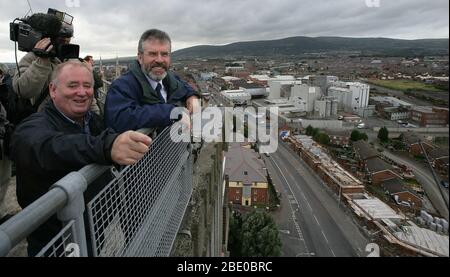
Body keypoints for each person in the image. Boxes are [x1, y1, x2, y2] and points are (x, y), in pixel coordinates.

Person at [10, 61, 152, 256]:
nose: (82, 92)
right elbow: (44, 145)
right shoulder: (35, 126)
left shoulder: (91, 121)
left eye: (87, 86)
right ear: (53, 90)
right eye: (72, 85)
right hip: (56, 239)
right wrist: (107, 147)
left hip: (93, 227)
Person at [104, 29, 200, 133]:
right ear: (140, 57)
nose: (159, 60)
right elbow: (119, 119)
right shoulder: (121, 86)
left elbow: (182, 85)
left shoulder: (169, 78)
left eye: (164, 54)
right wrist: (170, 112)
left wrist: (192, 96)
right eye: (153, 54)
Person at [12, 21, 100, 115]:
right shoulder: (33, 58)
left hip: (75, 121)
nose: (65, 42)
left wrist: (96, 116)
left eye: (68, 38)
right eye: (61, 38)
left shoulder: (74, 60)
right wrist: (42, 59)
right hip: (46, 121)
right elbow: (23, 90)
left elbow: (88, 95)